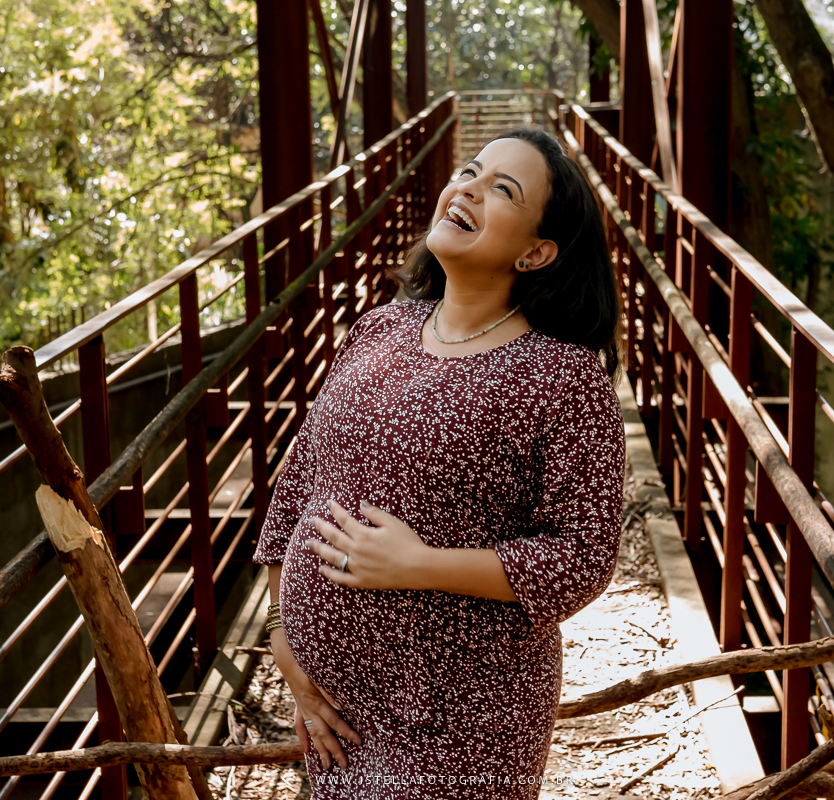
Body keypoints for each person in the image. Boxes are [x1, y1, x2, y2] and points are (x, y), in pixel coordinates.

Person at [252, 128, 626, 798]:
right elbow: (304, 475)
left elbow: (584, 555)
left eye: (502, 190)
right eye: (471, 172)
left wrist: (418, 565)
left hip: (462, 718)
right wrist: (285, 636)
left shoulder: (564, 379)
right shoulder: (380, 328)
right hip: (338, 715)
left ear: (538, 252)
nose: (470, 189)